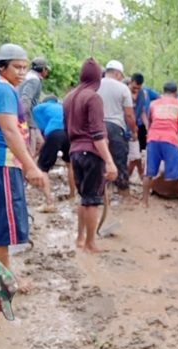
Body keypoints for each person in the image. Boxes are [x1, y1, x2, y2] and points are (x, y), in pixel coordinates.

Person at [0, 43, 46, 272]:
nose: (22, 72)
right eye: (16, 67)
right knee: (0, 231)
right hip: (0, 162)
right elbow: (10, 131)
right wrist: (30, 166)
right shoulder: (3, 90)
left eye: (24, 67)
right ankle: (6, 283)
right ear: (2, 66)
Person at [64, 58, 117, 253]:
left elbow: (66, 128)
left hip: (75, 152)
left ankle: (80, 238)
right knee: (92, 200)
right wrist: (110, 162)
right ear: (98, 78)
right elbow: (97, 134)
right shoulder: (93, 97)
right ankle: (91, 243)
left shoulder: (69, 97)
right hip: (91, 153)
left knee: (83, 197)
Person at [141, 81, 178, 208]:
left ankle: (144, 202)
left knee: (148, 172)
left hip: (153, 140)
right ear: (176, 93)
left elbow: (149, 122)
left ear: (162, 91)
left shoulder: (153, 104)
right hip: (169, 140)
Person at [97, 60, 136, 199]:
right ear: (117, 73)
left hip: (96, 128)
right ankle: (124, 195)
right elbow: (129, 114)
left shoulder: (95, 85)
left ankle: (99, 194)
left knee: (98, 160)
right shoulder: (122, 88)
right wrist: (134, 131)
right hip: (115, 127)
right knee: (119, 160)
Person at [32, 95, 76, 211]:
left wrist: (36, 153)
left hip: (54, 133)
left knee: (43, 167)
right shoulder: (63, 107)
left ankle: (49, 203)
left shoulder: (39, 108)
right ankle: (73, 195)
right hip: (69, 133)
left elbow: (39, 129)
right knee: (70, 163)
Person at [18, 57, 50, 155]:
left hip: (30, 119)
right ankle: (27, 168)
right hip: (28, 120)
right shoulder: (33, 80)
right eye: (46, 69)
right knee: (31, 149)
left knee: (40, 144)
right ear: (43, 70)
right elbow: (25, 100)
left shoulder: (27, 77)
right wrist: (24, 121)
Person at [127, 72, 149, 181]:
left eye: (138, 88)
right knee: (133, 157)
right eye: (134, 87)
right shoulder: (123, 92)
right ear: (130, 82)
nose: (136, 90)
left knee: (136, 156)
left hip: (134, 130)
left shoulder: (142, 94)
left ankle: (126, 180)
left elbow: (142, 112)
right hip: (123, 129)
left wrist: (147, 126)